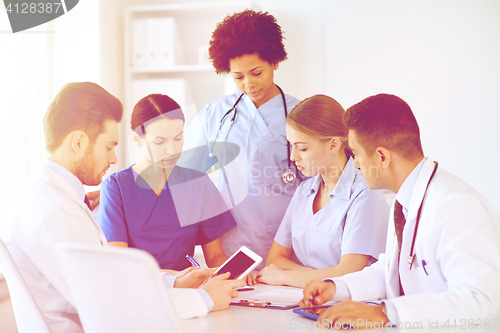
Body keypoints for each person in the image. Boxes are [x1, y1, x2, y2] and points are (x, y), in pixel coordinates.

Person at [2, 82, 244, 333]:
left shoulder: (48, 198)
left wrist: (175, 281)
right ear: (78, 142)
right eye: (108, 147)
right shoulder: (56, 213)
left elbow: (109, 279)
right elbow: (109, 302)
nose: (114, 159)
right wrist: (202, 299)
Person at [300, 94, 500, 329]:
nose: (354, 164)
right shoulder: (405, 199)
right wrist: (335, 287)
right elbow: (390, 271)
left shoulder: (455, 206)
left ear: (382, 156)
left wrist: (386, 313)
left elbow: (483, 300)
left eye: (356, 154)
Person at [180, 9, 302, 274]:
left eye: (256, 72)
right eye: (238, 77)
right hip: (229, 246)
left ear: (274, 62)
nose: (249, 84)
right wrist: (127, 187)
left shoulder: (301, 115)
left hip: (288, 246)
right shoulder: (215, 114)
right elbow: (179, 167)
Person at [255, 95, 389, 288]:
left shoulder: (364, 194)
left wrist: (287, 277)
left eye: (302, 148)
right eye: (291, 146)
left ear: (333, 145)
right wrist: (321, 276)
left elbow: (349, 274)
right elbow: (275, 260)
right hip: (304, 299)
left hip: (351, 306)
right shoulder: (304, 191)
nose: (293, 157)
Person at [97, 94, 236, 272]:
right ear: (137, 140)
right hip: (138, 292)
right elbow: (118, 263)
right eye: (160, 141)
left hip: (188, 293)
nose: (172, 150)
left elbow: (216, 256)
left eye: (178, 138)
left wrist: (237, 273)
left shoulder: (199, 184)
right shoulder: (116, 187)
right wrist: (174, 278)